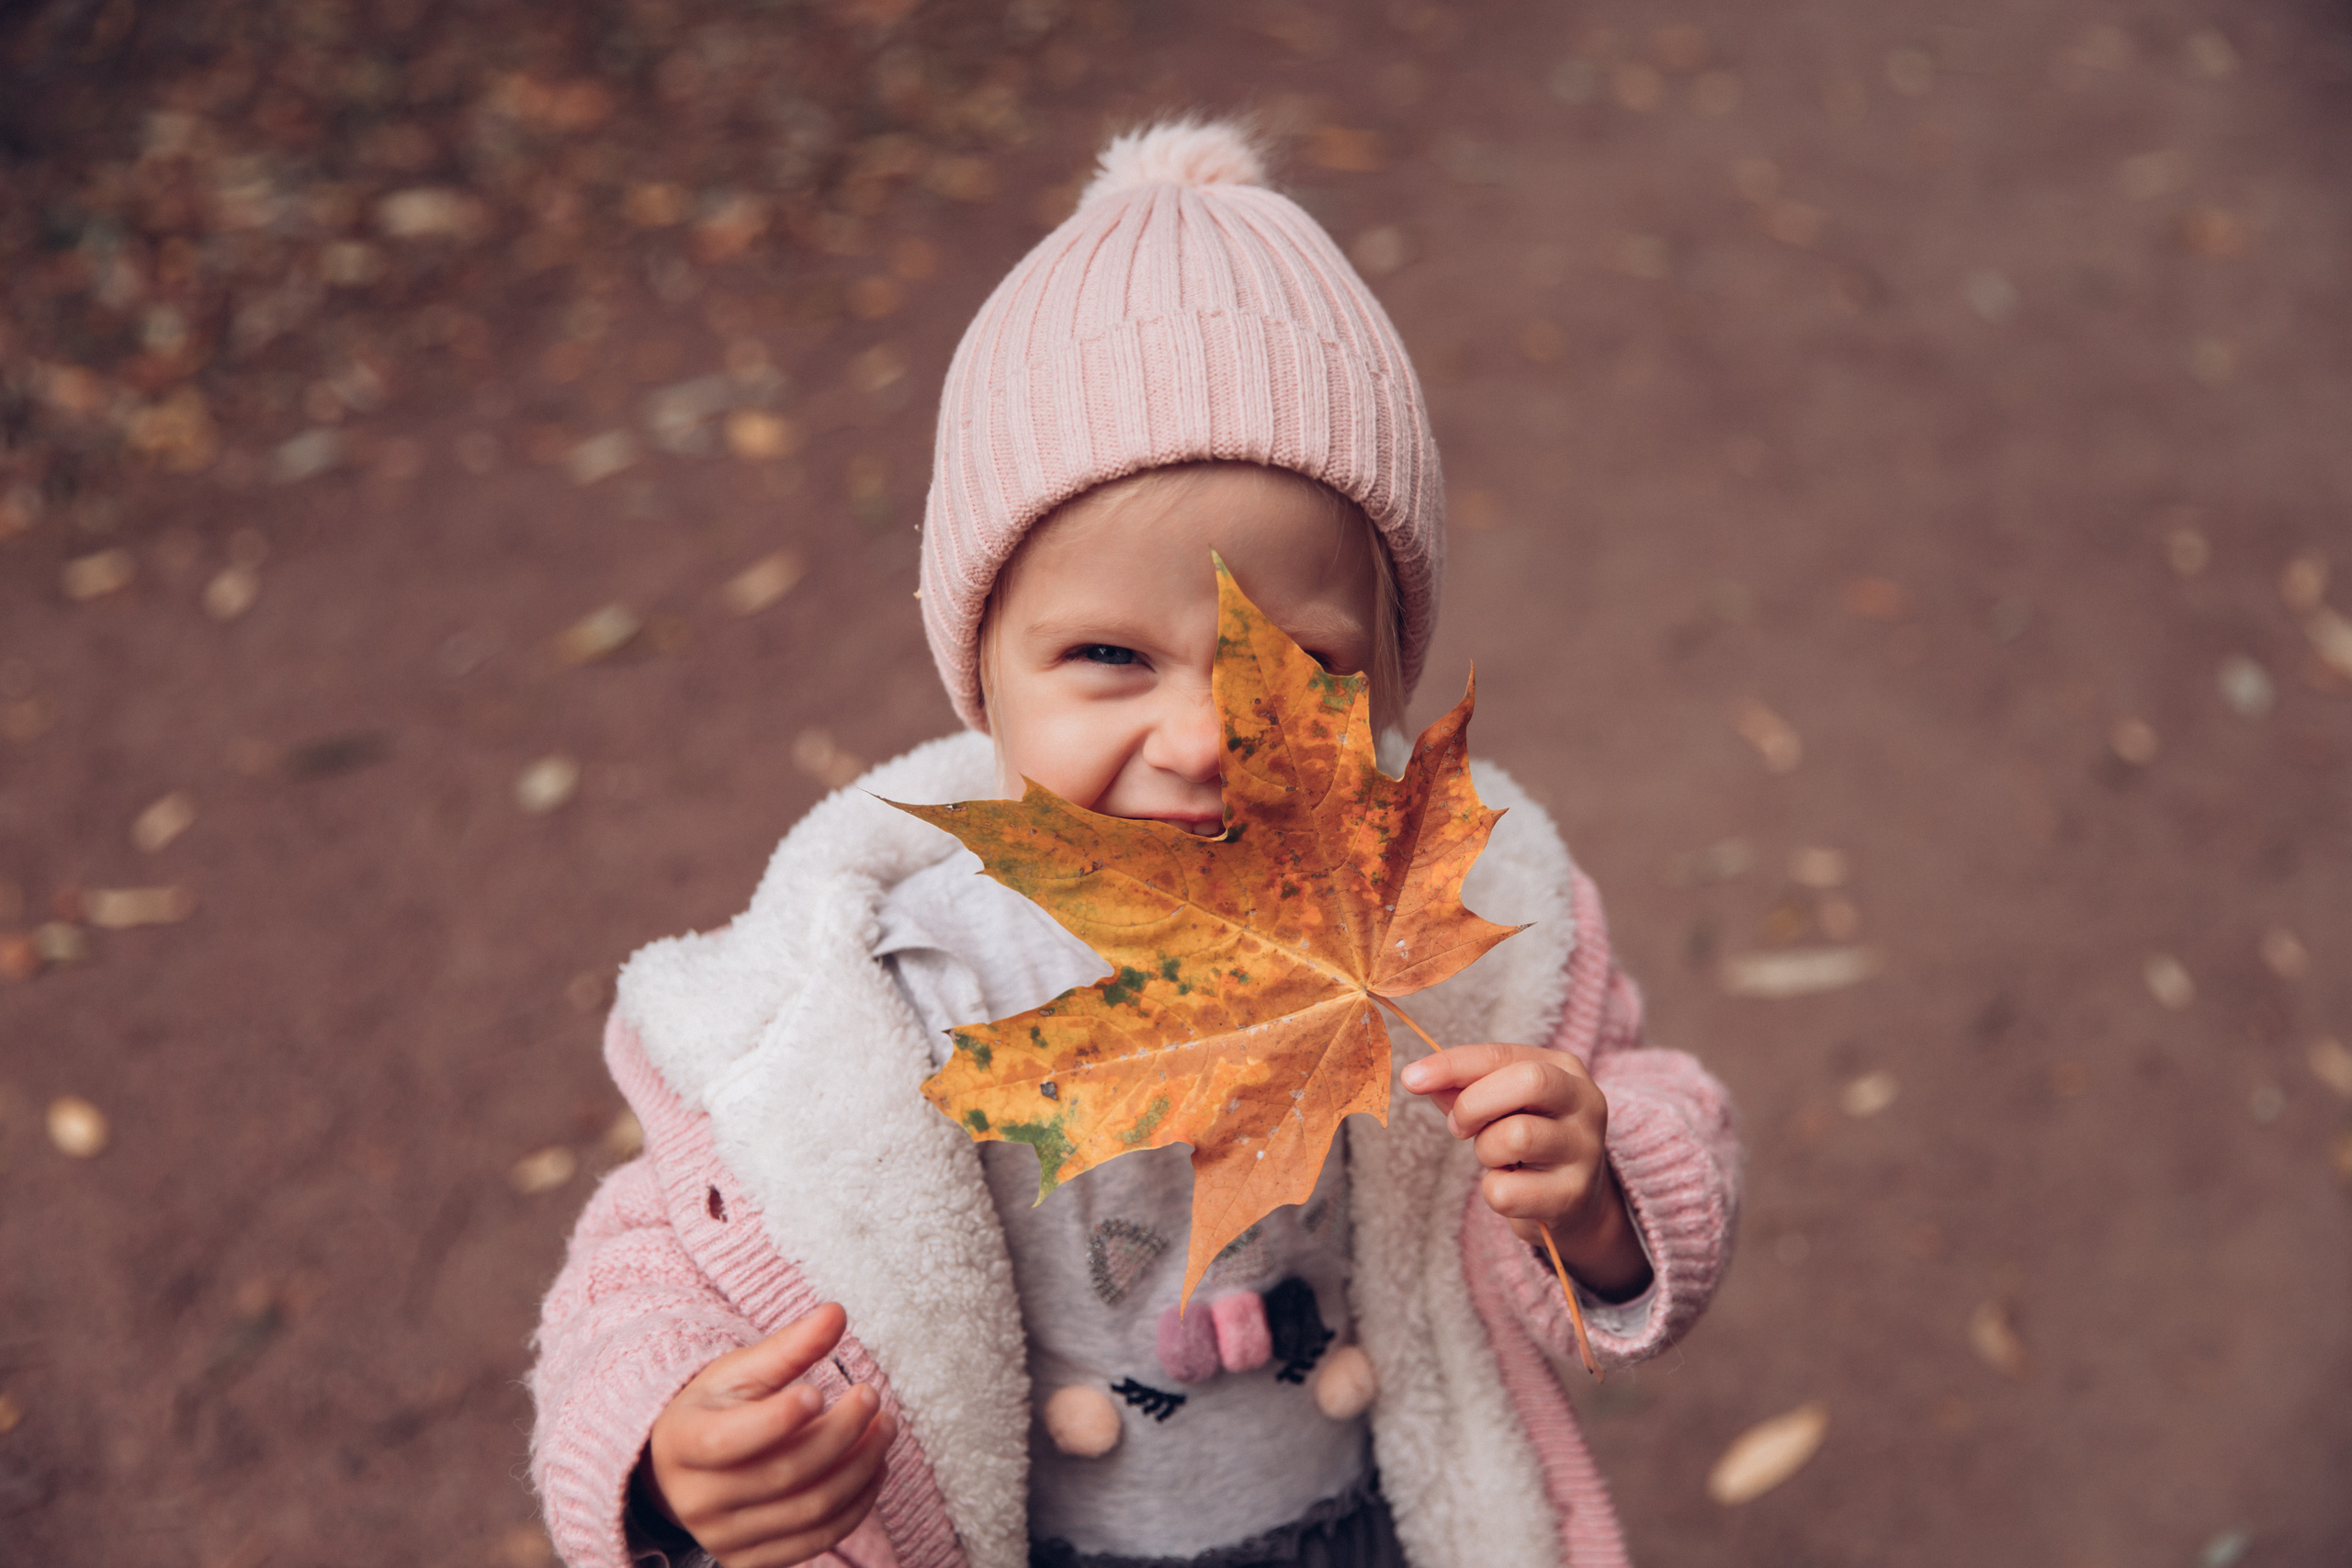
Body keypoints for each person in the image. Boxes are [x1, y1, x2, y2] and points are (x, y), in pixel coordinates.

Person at [530, 119, 1739, 1568]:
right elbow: (653, 1258)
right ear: (984, 677)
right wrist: (665, 1450)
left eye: (1292, 668)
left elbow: (1650, 1104)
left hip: (1364, 1529)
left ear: (1390, 687)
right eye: (1110, 654)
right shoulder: (880, 979)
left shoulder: (1468, 926)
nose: (1200, 737)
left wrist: (1600, 1197)